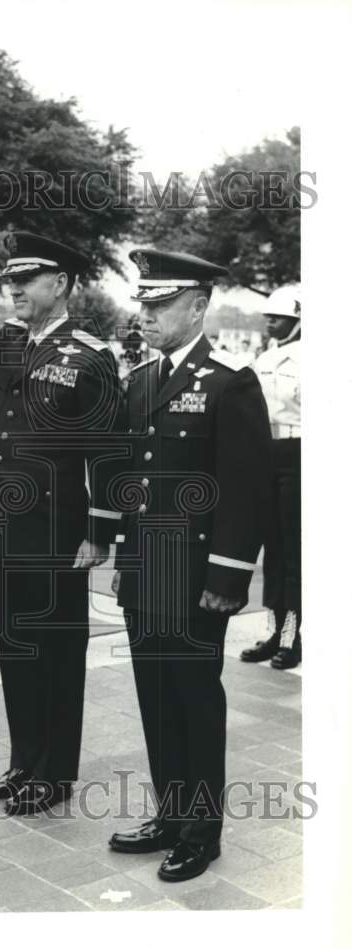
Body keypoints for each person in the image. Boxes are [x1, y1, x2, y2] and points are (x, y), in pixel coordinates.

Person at [0, 231, 123, 816]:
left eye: (27, 279)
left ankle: (54, 774)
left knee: (57, 653)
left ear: (62, 284)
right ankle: (24, 762)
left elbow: (109, 451)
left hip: (57, 529)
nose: (15, 288)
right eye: (10, 279)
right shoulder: (10, 343)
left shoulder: (89, 354)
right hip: (5, 522)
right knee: (15, 648)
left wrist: (99, 531)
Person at [108, 248, 272, 882]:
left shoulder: (230, 381)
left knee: (196, 701)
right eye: (143, 304)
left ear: (198, 306)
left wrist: (228, 580)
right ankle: (170, 814)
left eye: (160, 304)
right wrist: (125, 558)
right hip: (147, 573)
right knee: (155, 699)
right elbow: (132, 477)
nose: (146, 315)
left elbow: (247, 489)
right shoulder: (142, 379)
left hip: (199, 580)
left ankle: (201, 832)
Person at [241, 285, 302, 670]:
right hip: (268, 452)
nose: (269, 323)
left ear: (297, 320)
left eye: (277, 318)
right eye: (267, 317)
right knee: (272, 549)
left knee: (294, 550)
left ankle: (293, 636)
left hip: (300, 453)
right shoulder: (264, 356)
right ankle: (274, 630)